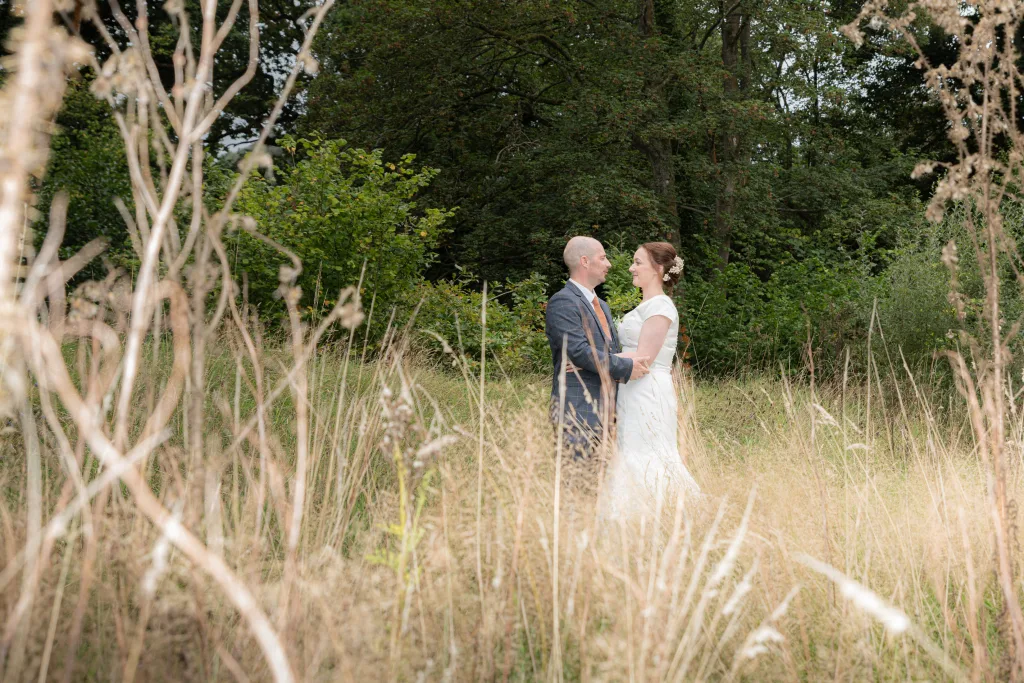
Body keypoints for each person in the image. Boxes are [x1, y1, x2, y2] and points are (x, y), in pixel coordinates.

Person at [602, 241, 701, 519]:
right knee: (632, 451)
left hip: (648, 389)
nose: (631, 268)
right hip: (633, 389)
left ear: (658, 269)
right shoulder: (647, 305)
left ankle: (662, 517)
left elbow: (645, 356)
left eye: (638, 262)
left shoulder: (661, 306)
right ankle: (632, 520)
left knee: (648, 453)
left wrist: (596, 358)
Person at [545, 236, 649, 463]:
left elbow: (605, 353)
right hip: (578, 410)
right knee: (579, 485)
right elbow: (580, 352)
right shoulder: (562, 302)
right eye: (603, 257)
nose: (609, 264)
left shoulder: (601, 305)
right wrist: (626, 366)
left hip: (610, 411)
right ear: (584, 261)